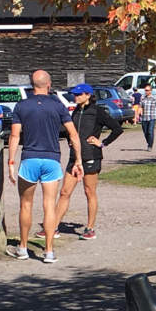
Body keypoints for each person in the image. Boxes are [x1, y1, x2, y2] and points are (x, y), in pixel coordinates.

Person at [7, 70, 83, 263]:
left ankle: (23, 247)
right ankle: (49, 251)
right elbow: (73, 135)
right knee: (49, 205)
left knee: (25, 204)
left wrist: (11, 161)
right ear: (49, 84)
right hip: (51, 159)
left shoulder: (22, 106)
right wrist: (78, 160)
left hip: (30, 158)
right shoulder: (58, 106)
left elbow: (15, 136)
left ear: (32, 85)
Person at [54, 83, 123, 241]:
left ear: (87, 95)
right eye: (74, 95)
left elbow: (117, 129)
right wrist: (70, 141)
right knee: (64, 192)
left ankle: (90, 228)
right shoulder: (76, 111)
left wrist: (103, 143)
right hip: (74, 157)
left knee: (89, 192)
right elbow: (70, 131)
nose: (75, 97)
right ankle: (54, 227)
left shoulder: (98, 111)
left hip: (91, 156)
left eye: (78, 94)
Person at [135, 84, 156, 151]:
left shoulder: (154, 99)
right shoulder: (143, 98)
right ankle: (149, 142)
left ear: (150, 91)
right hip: (144, 118)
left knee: (150, 131)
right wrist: (137, 115)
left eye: (147, 90)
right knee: (146, 132)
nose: (146, 91)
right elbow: (140, 107)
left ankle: (150, 146)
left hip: (152, 118)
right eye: (145, 90)